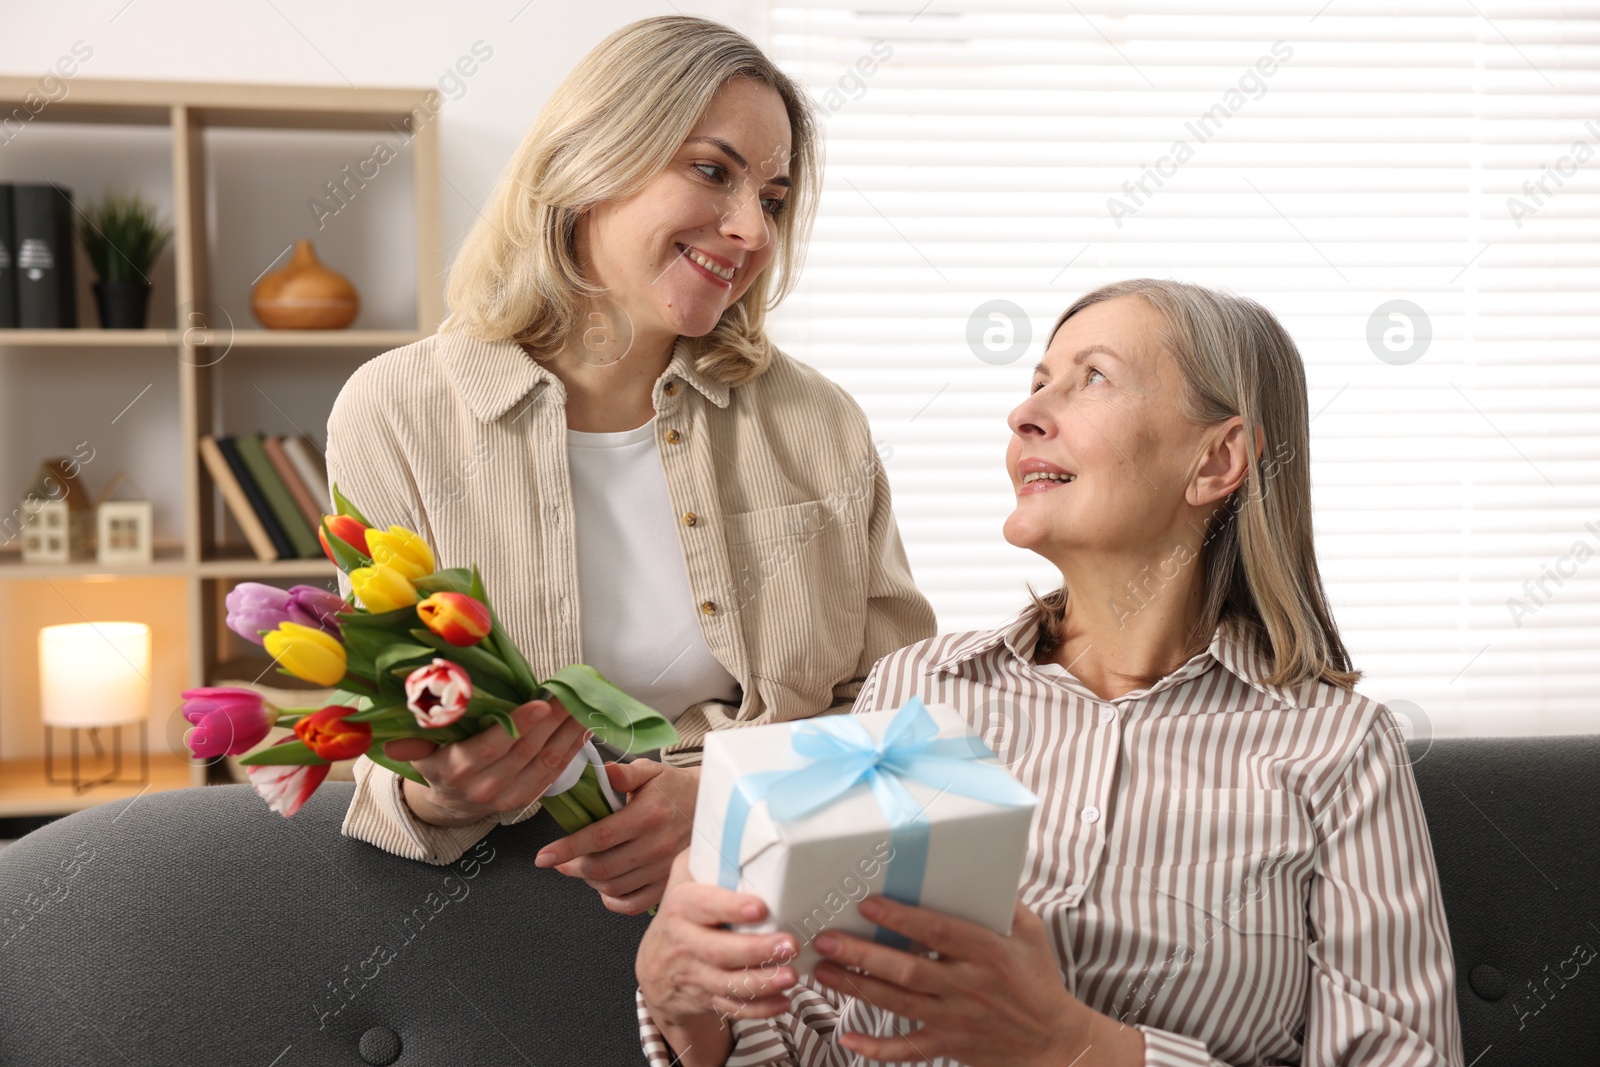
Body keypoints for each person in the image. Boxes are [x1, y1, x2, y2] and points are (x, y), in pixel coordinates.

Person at [635, 278, 1466, 1066]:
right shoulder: (914, 692)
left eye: (1091, 379)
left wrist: (1065, 1042)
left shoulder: (1340, 746)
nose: (1025, 413)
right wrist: (690, 1005)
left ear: (1217, 461)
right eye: (1038, 381)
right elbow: (817, 1039)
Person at [325, 15, 935, 915]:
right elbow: (393, 740)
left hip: (772, 903)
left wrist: (730, 799)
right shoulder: (397, 413)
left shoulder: (818, 424)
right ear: (589, 162)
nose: (750, 229)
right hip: (510, 907)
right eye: (711, 170)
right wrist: (438, 789)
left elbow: (904, 722)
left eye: (771, 196)